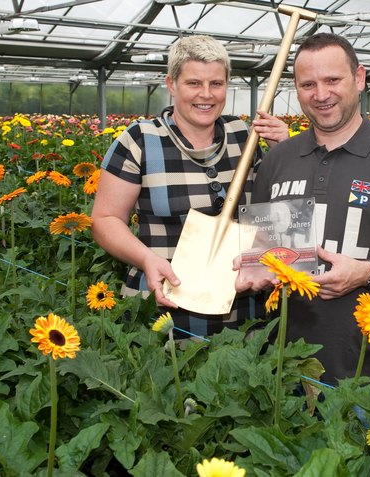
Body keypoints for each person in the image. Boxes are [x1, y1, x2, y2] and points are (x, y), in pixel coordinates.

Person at [237, 33, 370, 385]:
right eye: (308, 84)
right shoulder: (277, 160)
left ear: (359, 78)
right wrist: (254, 266)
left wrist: (366, 272)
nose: (321, 95)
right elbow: (264, 245)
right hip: (285, 368)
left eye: (333, 80)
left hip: (369, 374)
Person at [91, 35, 289, 337]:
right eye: (194, 83)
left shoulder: (244, 136)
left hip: (243, 310)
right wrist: (146, 259)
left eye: (217, 84)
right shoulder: (139, 140)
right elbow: (105, 220)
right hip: (164, 307)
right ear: (171, 84)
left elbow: (275, 210)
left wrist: (284, 151)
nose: (206, 95)